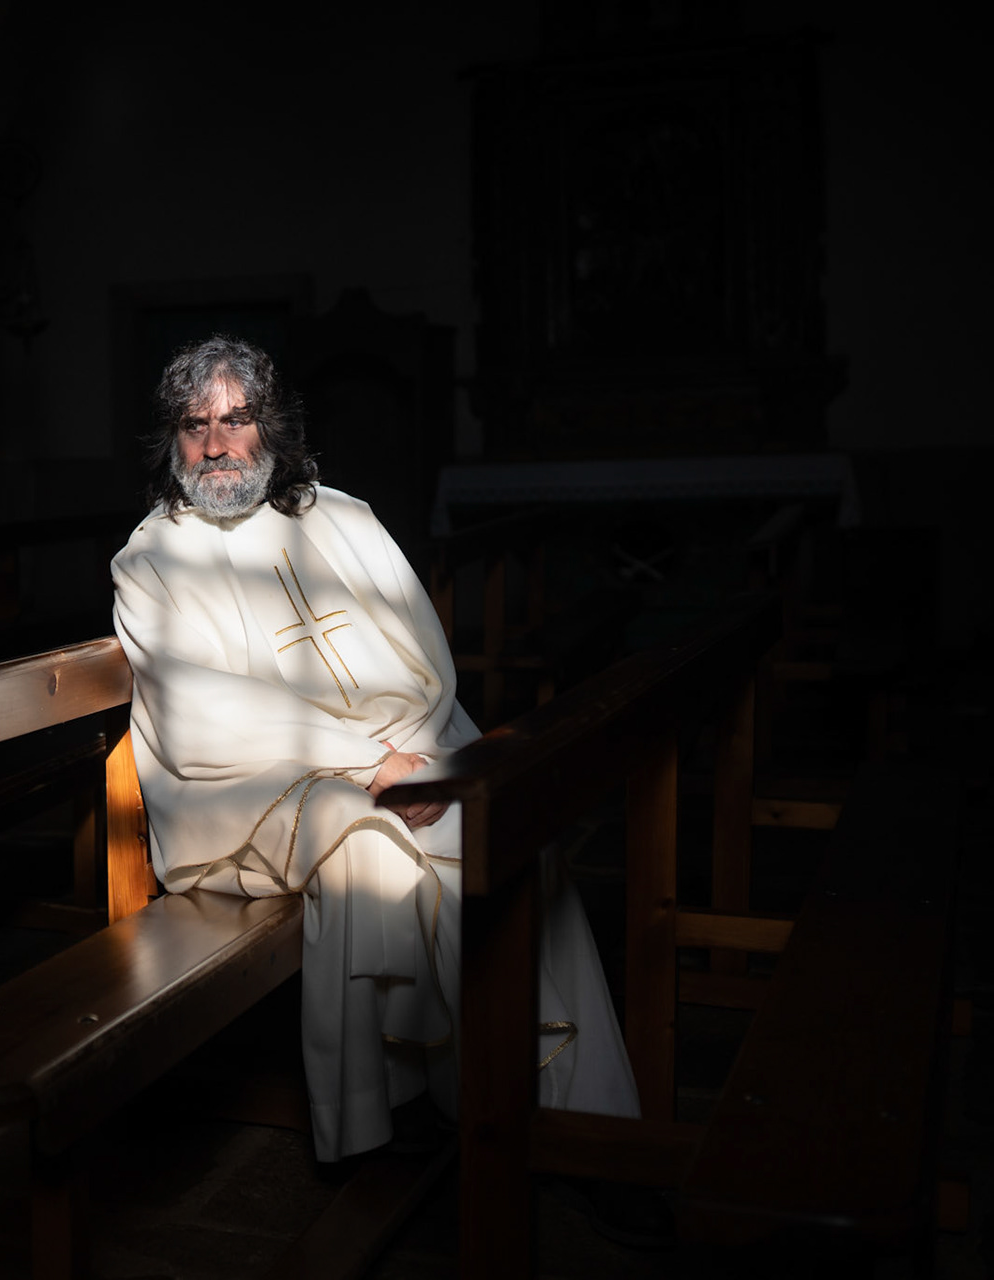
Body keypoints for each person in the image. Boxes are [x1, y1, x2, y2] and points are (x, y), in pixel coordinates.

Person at [110, 334, 640, 1164]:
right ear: (170, 440)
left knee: (513, 843)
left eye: (237, 418)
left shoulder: (343, 517)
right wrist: (369, 764)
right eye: (193, 423)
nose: (215, 444)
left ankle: (583, 1122)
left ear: (269, 428)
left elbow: (430, 662)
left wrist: (420, 756)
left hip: (405, 758)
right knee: (365, 849)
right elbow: (197, 714)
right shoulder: (150, 559)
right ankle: (385, 1122)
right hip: (247, 794)